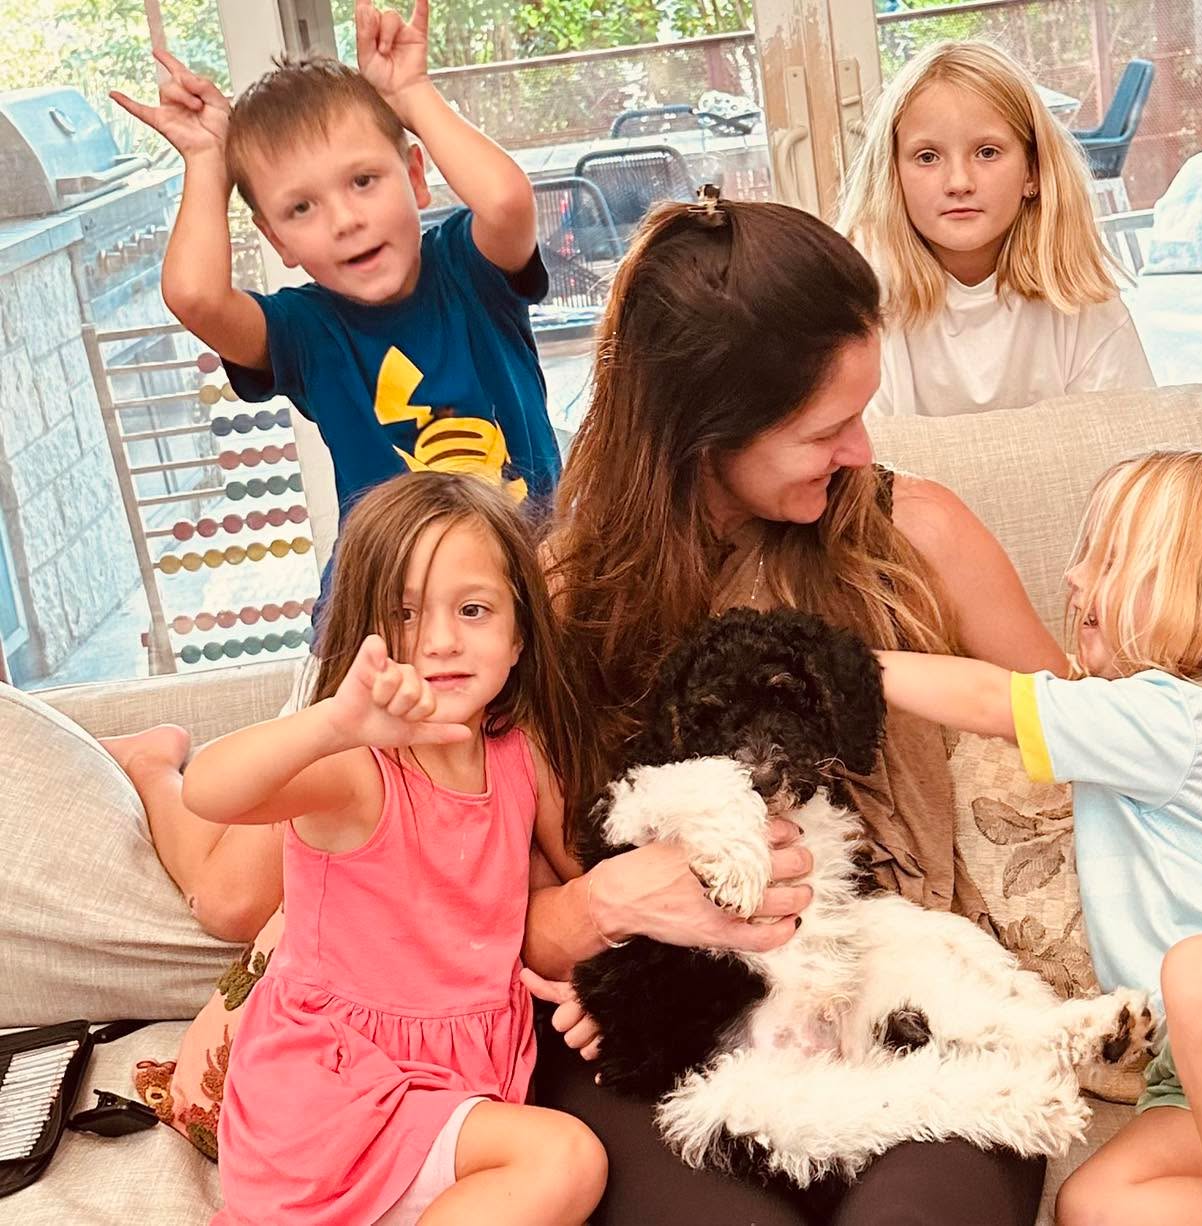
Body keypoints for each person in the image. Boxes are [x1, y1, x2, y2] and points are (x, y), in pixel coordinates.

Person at [519, 190, 1082, 1226]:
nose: (863, 449)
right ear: (704, 429)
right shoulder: (558, 603)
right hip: (674, 1033)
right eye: (827, 426)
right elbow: (461, 905)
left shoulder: (918, 538)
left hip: (901, 1007)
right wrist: (610, 902)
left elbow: (1103, 743)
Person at [106, 0, 558, 941]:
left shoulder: (467, 269)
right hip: (374, 625)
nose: (345, 221)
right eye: (301, 209)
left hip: (521, 600)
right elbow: (194, 294)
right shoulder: (308, 332)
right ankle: (157, 767)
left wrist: (411, 91)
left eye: (363, 180)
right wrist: (206, 162)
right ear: (277, 241)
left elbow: (510, 203)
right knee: (231, 908)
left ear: (415, 172)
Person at [877, 451, 1202, 1226]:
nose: (1072, 578)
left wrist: (852, 665)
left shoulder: (1167, 716)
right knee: (1095, 1204)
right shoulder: (1191, 721)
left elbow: (997, 698)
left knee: (1200, 968)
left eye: (1108, 560)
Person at [182, 470, 607, 1225]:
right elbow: (211, 792)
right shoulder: (358, 772)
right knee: (565, 1157)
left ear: (518, 634)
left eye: (473, 610)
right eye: (405, 615)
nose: (441, 641)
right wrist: (333, 726)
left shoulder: (521, 758)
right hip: (333, 1099)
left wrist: (603, 982)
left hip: (455, 1088)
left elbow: (586, 880)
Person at [836, 41, 1154, 416]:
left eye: (987, 152)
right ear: (894, 175)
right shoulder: (860, 290)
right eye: (927, 157)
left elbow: (1131, 444)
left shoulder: (1080, 296)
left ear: (1032, 171)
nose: (958, 182)